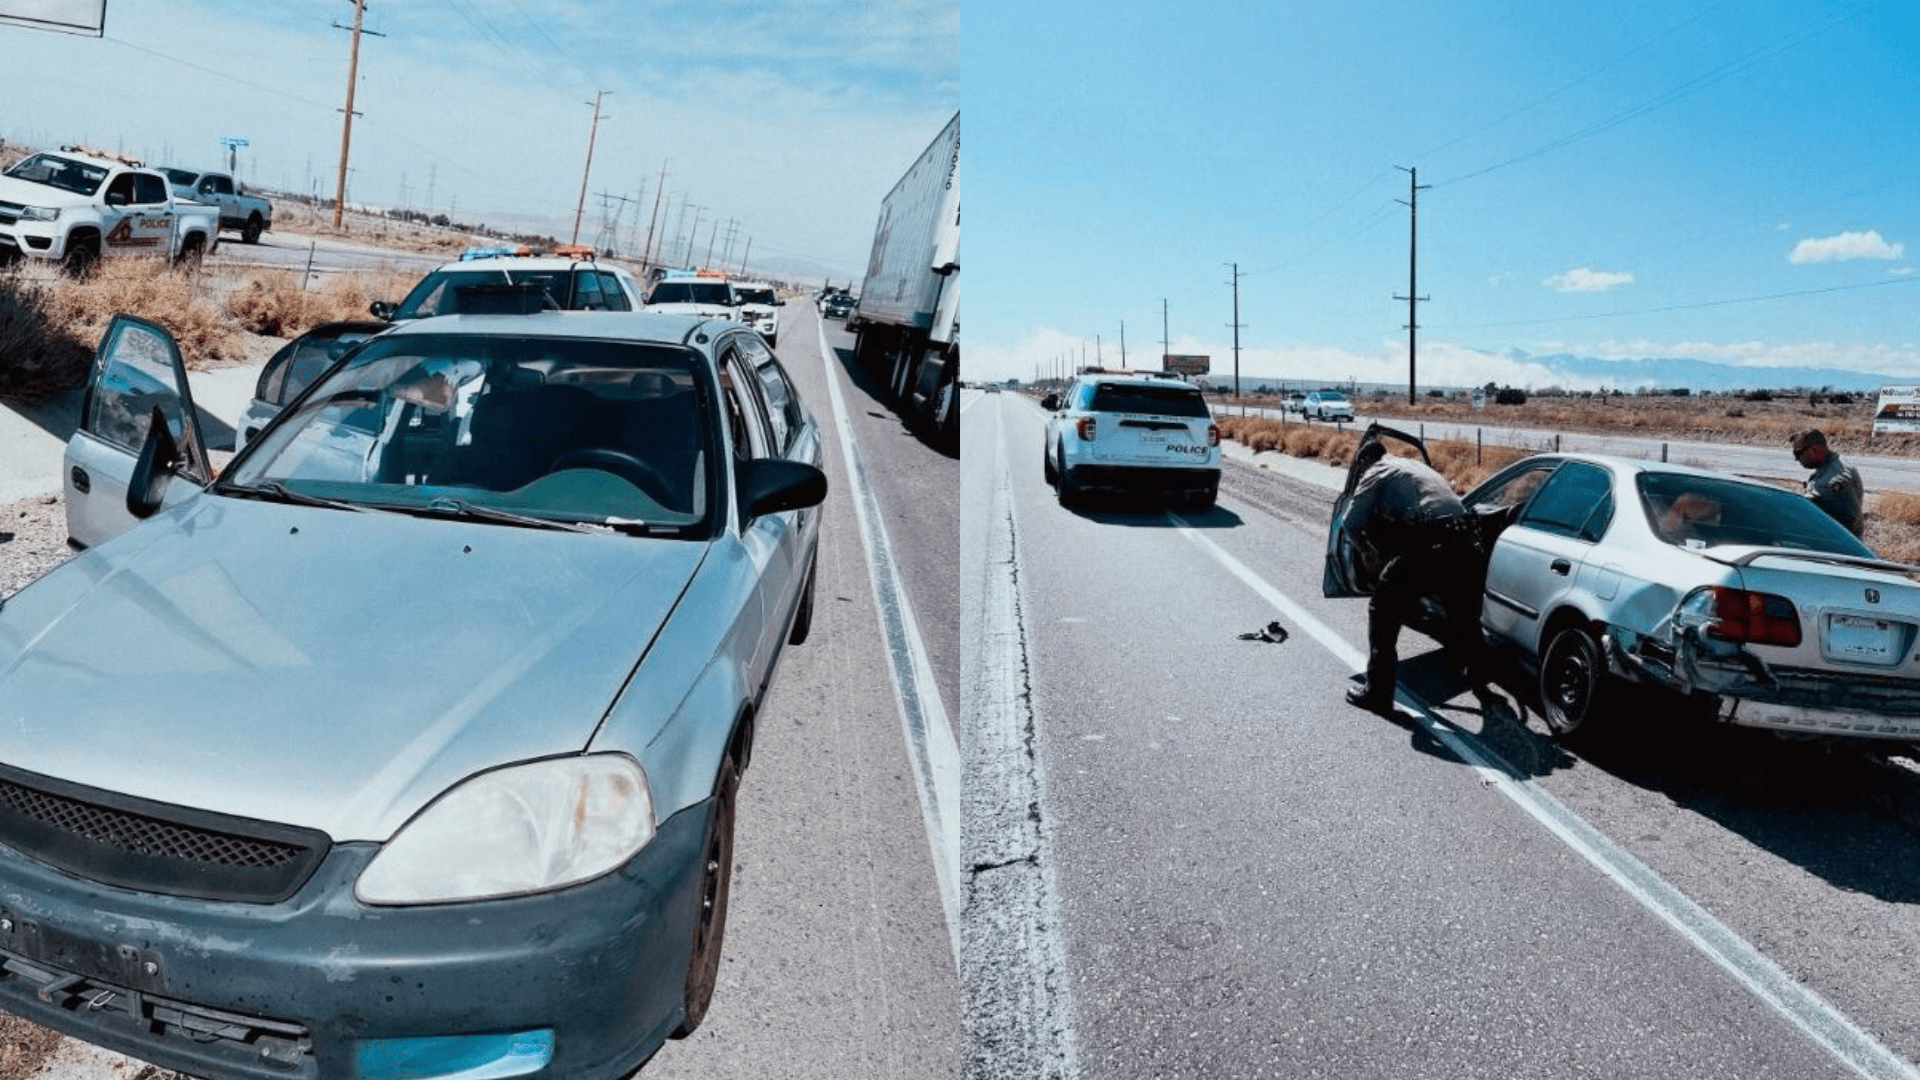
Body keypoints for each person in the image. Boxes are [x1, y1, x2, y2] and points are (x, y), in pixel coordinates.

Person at [1341, 446, 1492, 714]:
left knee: (1382, 609)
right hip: (1467, 541)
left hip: (1432, 542)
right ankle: (1478, 676)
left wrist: (1366, 550)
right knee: (1464, 614)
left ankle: (1377, 693)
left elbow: (1350, 521)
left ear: (1365, 462)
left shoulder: (1377, 470)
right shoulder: (1414, 466)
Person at [1789, 428, 1865, 536]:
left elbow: (1852, 525)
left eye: (1798, 454)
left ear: (1814, 450)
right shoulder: (1828, 468)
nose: (1797, 459)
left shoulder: (1835, 478)